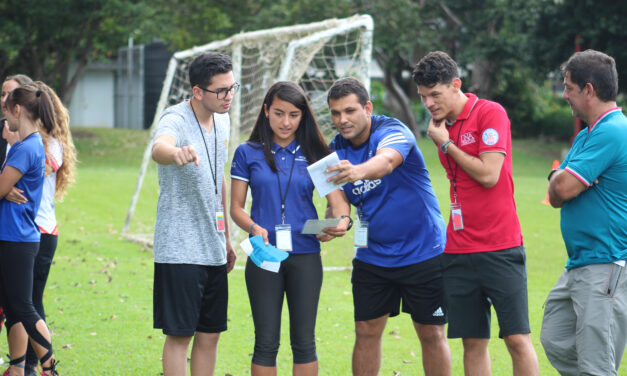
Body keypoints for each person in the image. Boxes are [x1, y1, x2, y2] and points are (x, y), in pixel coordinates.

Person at [412, 51, 539, 375]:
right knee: (472, 341)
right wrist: (444, 138)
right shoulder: (442, 126)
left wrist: (446, 144)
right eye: (423, 96)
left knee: (516, 339)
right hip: (457, 250)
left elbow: (488, 175)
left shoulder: (489, 113)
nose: (428, 103)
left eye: (435, 94)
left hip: (500, 247)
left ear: (456, 84)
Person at [325, 77, 451, 376]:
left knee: (431, 333)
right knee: (366, 330)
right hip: (372, 256)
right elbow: (337, 203)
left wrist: (356, 171)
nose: (342, 120)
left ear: (367, 108)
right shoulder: (334, 150)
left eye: (350, 111)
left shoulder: (393, 130)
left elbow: (386, 162)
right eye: (335, 113)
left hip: (424, 251)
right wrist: (333, 223)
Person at [230, 81, 351, 376]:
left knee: (304, 342)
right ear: (266, 111)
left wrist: (340, 223)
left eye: (294, 115)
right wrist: (254, 227)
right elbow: (235, 207)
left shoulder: (316, 154)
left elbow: (339, 206)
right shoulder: (247, 153)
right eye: (279, 113)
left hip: (306, 255)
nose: (286, 122)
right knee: (266, 343)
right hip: (264, 255)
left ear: (303, 116)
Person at [541, 50, 627, 376]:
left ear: (589, 90)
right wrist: (561, 180)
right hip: (580, 261)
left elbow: (561, 189)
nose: (564, 95)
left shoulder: (612, 131)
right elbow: (558, 189)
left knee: (595, 364)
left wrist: (561, 181)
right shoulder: (586, 134)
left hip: (605, 262)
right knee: (555, 336)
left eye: (568, 88)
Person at [150, 51, 236, 376]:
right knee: (180, 335)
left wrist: (226, 238)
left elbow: (219, 179)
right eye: (221, 90)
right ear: (198, 91)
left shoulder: (223, 119)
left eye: (232, 87)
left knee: (211, 334)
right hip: (180, 250)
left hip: (213, 247)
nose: (229, 96)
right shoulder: (175, 118)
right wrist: (176, 153)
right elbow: (160, 147)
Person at [3, 82, 76, 376]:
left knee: (24, 308)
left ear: (17, 110)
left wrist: (4, 187)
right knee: (16, 308)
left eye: (6, 110)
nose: (4, 117)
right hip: (14, 236)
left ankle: (49, 368)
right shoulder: (30, 145)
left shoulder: (27, 147)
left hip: (17, 239)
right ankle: (20, 369)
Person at [1, 75, 33, 185]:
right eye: (3, 94)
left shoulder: (40, 136)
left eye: (10, 94)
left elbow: (37, 174)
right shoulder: (1, 128)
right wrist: (6, 190)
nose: (4, 99)